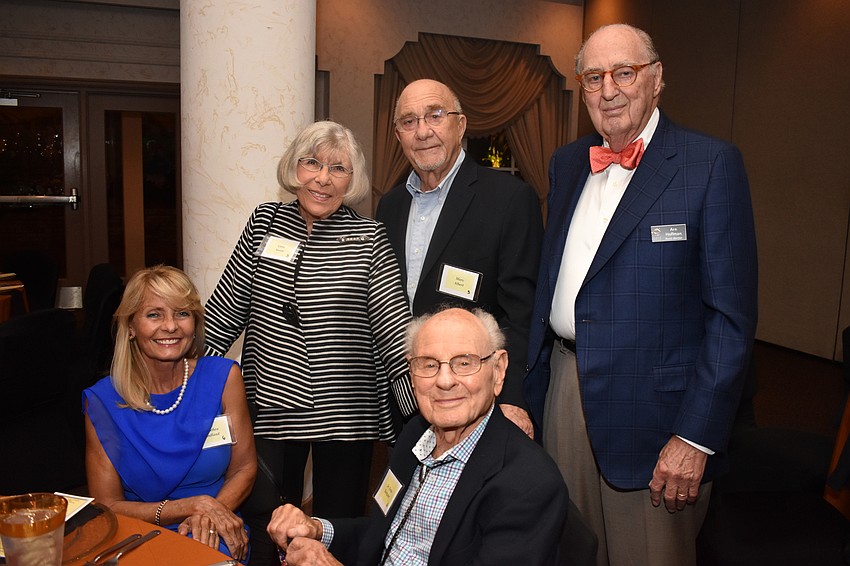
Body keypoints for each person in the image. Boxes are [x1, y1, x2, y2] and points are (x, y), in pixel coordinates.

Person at [523, 24, 758, 566]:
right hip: (563, 389)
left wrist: (696, 437)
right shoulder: (565, 163)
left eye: (624, 73)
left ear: (656, 80)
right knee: (568, 549)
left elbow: (731, 320)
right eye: (594, 78)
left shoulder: (709, 165)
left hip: (656, 418)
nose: (609, 90)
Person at [203, 120, 417, 565]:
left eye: (337, 168)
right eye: (312, 163)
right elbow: (227, 309)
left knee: (333, 524)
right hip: (272, 403)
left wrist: (422, 413)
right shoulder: (264, 222)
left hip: (347, 412)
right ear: (294, 169)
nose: (323, 178)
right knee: (266, 517)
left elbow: (395, 331)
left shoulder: (369, 237)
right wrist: (184, 386)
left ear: (351, 180)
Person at [267, 307, 569, 565]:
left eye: (464, 362)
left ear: (499, 370)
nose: (445, 380)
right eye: (428, 364)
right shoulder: (415, 436)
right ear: (411, 376)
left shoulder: (530, 484)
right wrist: (317, 529)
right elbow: (382, 535)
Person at [375, 79, 543, 438]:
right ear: (397, 134)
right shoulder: (390, 206)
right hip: (406, 402)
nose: (422, 131)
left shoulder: (509, 199)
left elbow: (522, 312)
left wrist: (512, 397)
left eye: (435, 115)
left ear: (460, 124)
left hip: (474, 400)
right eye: (409, 121)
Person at [83, 265, 256, 562]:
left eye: (182, 313)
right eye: (154, 315)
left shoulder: (224, 377)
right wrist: (190, 507)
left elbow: (243, 469)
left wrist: (210, 513)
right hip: (140, 532)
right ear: (131, 327)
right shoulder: (103, 400)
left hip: (215, 528)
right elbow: (107, 504)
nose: (171, 326)